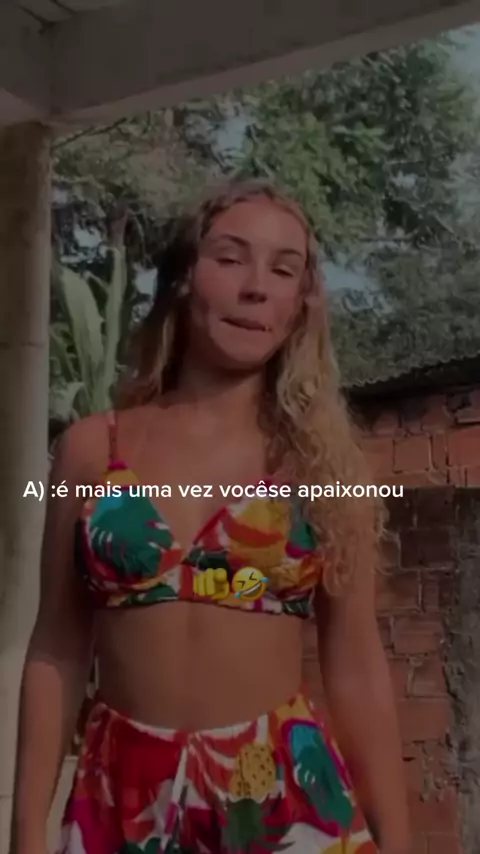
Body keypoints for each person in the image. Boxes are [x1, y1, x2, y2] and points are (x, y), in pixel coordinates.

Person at [10, 178, 410, 854]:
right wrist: (25, 833)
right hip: (124, 805)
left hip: (281, 803)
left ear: (300, 304)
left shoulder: (319, 464)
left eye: (282, 270)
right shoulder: (91, 449)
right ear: (184, 278)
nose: (255, 287)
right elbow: (57, 647)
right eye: (230, 258)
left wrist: (399, 842)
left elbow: (356, 665)